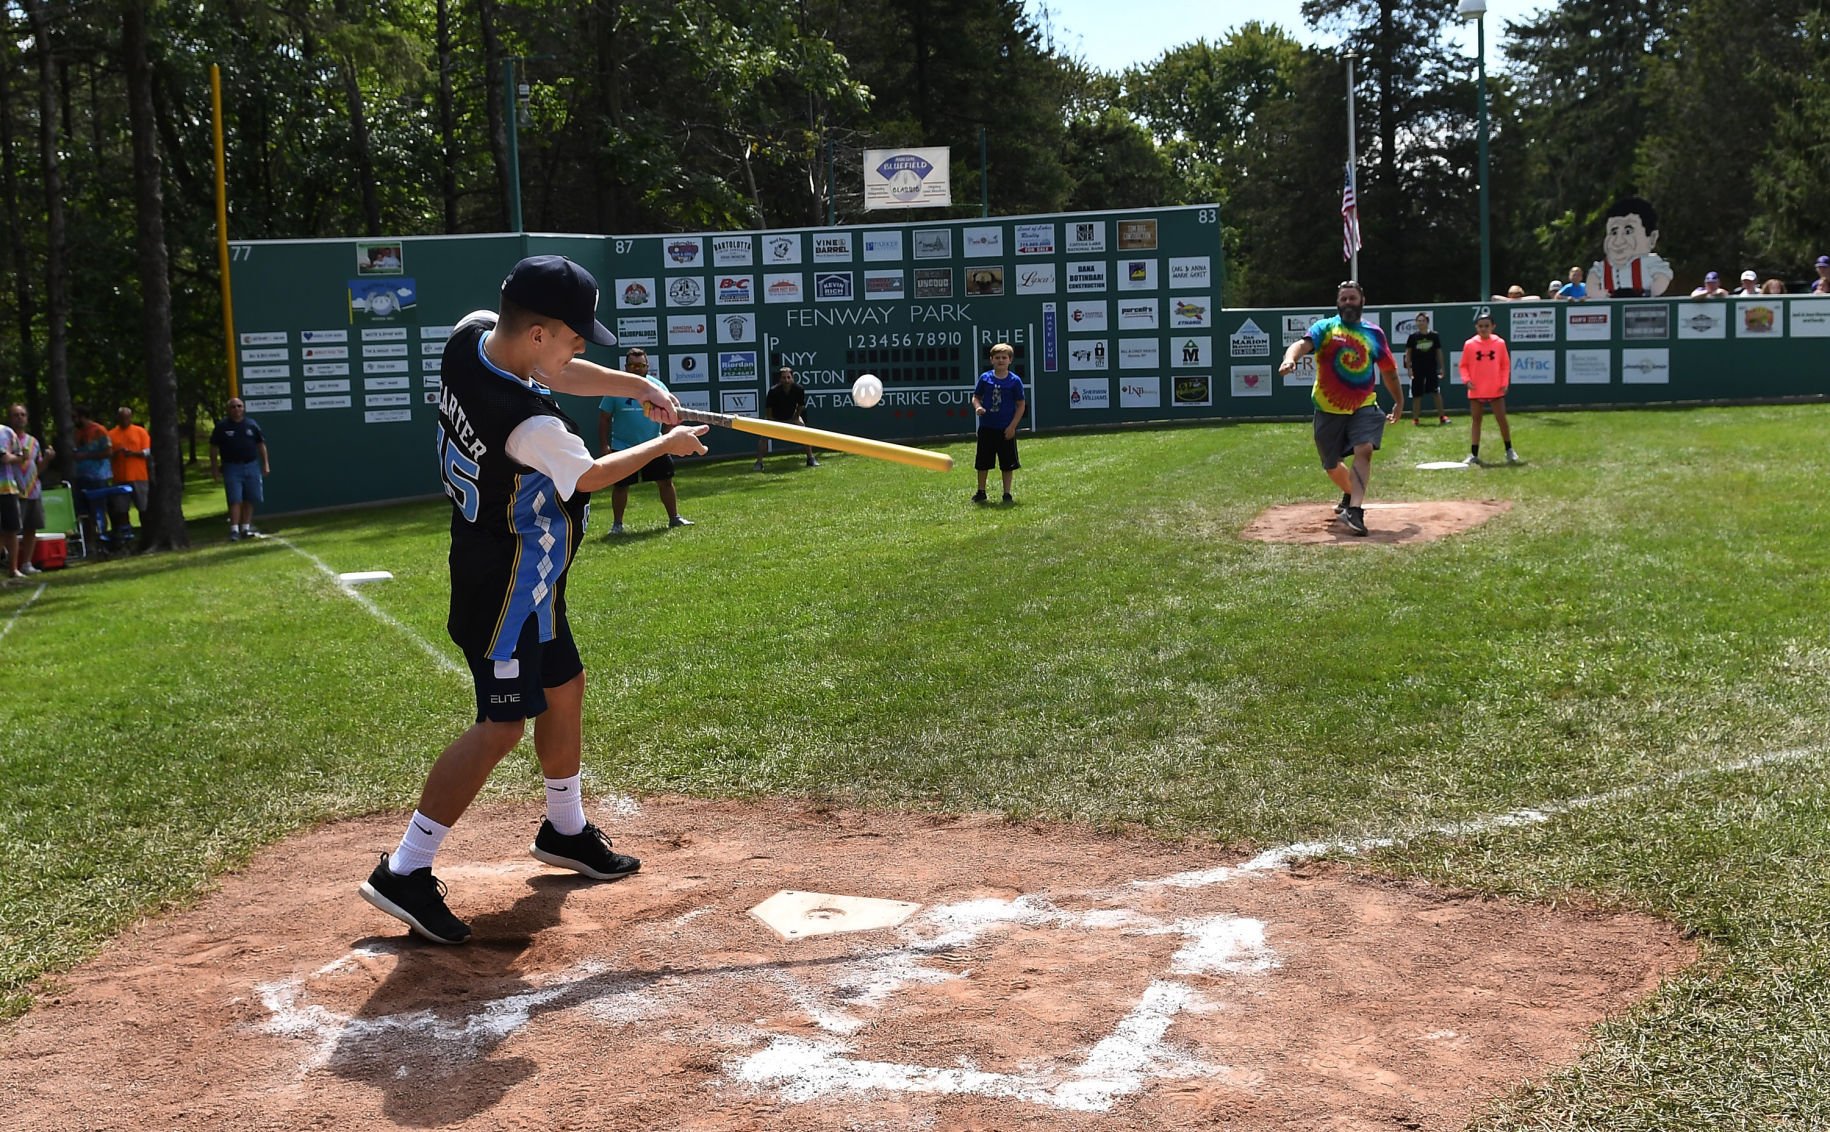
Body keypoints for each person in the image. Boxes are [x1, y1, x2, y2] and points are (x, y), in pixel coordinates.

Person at [358, 254, 707, 946]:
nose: (583, 345)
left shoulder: (473, 336)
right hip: (505, 587)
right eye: (575, 333)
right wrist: (666, 440)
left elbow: (560, 370)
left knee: (567, 685)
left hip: (531, 571)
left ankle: (565, 830)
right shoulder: (530, 424)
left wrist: (640, 385)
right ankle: (405, 868)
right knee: (501, 725)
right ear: (540, 332)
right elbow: (589, 476)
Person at [1277, 280, 1402, 537]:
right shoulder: (1324, 328)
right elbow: (1301, 345)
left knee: (1364, 449)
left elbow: (1389, 372)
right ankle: (1349, 493)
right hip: (1327, 408)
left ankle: (1355, 510)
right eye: (1343, 299)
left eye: (1352, 298)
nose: (1348, 303)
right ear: (1337, 302)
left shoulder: (1374, 334)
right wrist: (1290, 359)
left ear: (1362, 301)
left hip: (1363, 404)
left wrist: (1399, 402)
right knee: (1331, 464)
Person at [595, 347, 691, 534]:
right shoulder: (615, 388)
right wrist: (604, 445)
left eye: (640, 365)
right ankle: (617, 526)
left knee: (665, 481)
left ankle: (674, 518)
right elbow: (604, 418)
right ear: (626, 367)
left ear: (647, 366)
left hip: (654, 443)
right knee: (621, 486)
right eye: (632, 365)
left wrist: (668, 438)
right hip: (622, 446)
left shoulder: (658, 387)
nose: (636, 369)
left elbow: (670, 414)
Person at [1458, 308, 1520, 467]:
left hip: (1496, 388)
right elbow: (1463, 365)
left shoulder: (1499, 343)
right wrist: (1467, 380)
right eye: (1480, 326)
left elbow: (1505, 365)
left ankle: (1509, 450)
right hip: (1476, 388)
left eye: (1486, 325)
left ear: (1493, 326)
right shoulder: (1469, 344)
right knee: (1476, 420)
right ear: (1476, 327)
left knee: (1501, 419)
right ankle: (1474, 453)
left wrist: (1504, 383)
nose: (1483, 329)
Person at [971, 342, 1026, 504]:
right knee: (983, 462)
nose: (1001, 360)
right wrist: (978, 407)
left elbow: (1021, 404)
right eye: (997, 358)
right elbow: (976, 397)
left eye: (1004, 357)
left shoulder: (1014, 381)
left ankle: (1007, 493)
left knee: (1007, 464)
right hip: (987, 427)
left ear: (1010, 360)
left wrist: (1012, 426)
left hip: (1005, 429)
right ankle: (981, 491)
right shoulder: (985, 378)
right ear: (991, 360)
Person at [209, 397, 269, 541]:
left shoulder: (251, 425)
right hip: (231, 466)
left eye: (239, 406)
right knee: (235, 498)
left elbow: (261, 445)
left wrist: (265, 463)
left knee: (250, 497)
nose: (236, 409)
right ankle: (234, 530)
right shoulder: (222, 427)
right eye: (233, 407)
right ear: (228, 410)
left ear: (243, 408)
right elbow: (213, 448)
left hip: (251, 465)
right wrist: (215, 468)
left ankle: (245, 528)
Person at [1589, 196, 1672, 297]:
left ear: (1652, 238)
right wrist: (1600, 296)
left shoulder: (1651, 262)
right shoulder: (1601, 267)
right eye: (1614, 232)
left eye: (1628, 231)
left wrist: (1652, 294)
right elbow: (1592, 284)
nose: (1618, 241)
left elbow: (1662, 277)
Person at [6, 405, 50, 575]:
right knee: (10, 530)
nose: (20, 418)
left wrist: (47, 458)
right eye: (16, 415)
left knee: (32, 527)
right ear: (10, 418)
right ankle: (11, 565)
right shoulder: (6, 439)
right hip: (13, 489)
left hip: (33, 490)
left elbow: (37, 468)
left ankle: (26, 563)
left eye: (23, 415)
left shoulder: (33, 441)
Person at [70, 405, 116, 552]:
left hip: (98, 476)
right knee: (84, 512)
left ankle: (104, 541)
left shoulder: (99, 430)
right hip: (81, 475)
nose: (73, 420)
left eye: (75, 417)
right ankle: (89, 544)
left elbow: (109, 451)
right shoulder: (77, 433)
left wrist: (87, 456)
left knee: (99, 510)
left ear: (83, 416)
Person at [756, 365, 818, 470]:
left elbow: (800, 406)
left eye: (788, 377)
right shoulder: (773, 391)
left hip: (792, 417)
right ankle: (759, 463)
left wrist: (796, 418)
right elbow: (768, 409)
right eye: (784, 378)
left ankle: (810, 459)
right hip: (774, 419)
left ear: (792, 378)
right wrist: (771, 422)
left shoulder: (799, 389)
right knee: (763, 438)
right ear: (780, 379)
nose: (786, 380)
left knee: (805, 432)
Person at [107, 406, 152, 540]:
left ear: (131, 417)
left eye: (127, 417)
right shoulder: (111, 434)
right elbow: (107, 454)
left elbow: (148, 451)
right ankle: (127, 535)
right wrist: (116, 453)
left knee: (143, 506)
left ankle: (147, 532)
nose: (124, 420)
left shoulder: (140, 431)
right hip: (120, 477)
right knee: (122, 509)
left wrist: (134, 453)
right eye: (121, 417)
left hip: (139, 476)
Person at [1403, 313, 1449, 426]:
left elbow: (1439, 352)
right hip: (1417, 369)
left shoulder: (1434, 336)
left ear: (1427, 322)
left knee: (1435, 392)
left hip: (1431, 369)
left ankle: (1442, 417)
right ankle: (1415, 419)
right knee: (1416, 395)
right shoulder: (1413, 337)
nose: (1420, 323)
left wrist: (1442, 367)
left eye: (1422, 321)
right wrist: (1409, 368)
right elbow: (1408, 353)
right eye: (1418, 321)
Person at [0, 413, 19, 580]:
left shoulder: (7, 432)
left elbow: (20, 456)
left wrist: (8, 457)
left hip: (7, 488)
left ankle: (13, 569)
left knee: (11, 529)